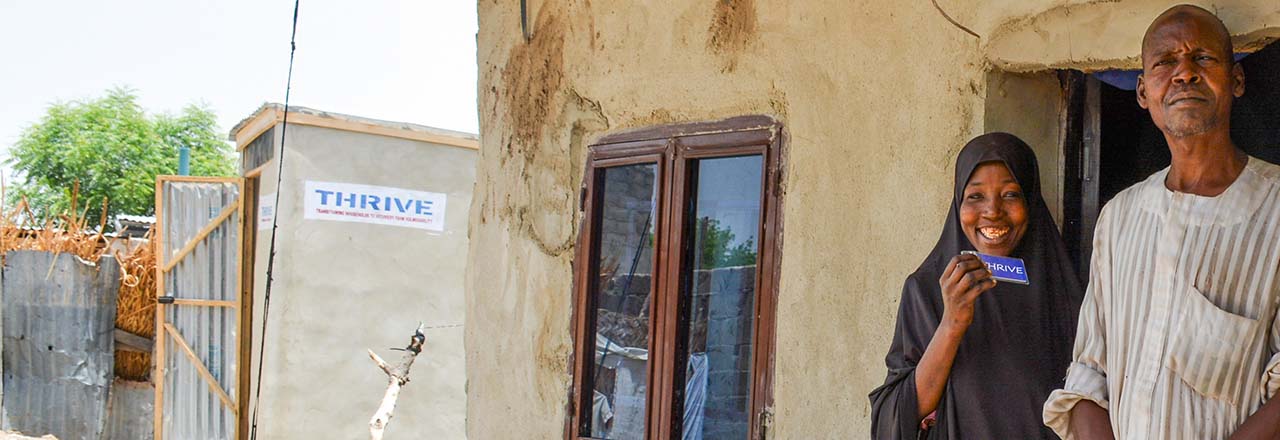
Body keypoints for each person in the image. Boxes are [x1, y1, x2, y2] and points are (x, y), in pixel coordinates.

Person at [1042, 5, 1280, 439]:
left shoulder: (1275, 208)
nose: (1184, 72)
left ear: (1238, 80)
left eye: (1203, 58)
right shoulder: (1119, 218)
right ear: (1142, 91)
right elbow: (1089, 373)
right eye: (1165, 61)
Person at [869, 132, 1085, 439]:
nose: (993, 211)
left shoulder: (1062, 290)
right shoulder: (927, 289)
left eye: (1011, 195)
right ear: (958, 201)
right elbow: (893, 420)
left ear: (1032, 202)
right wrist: (952, 323)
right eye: (975, 196)